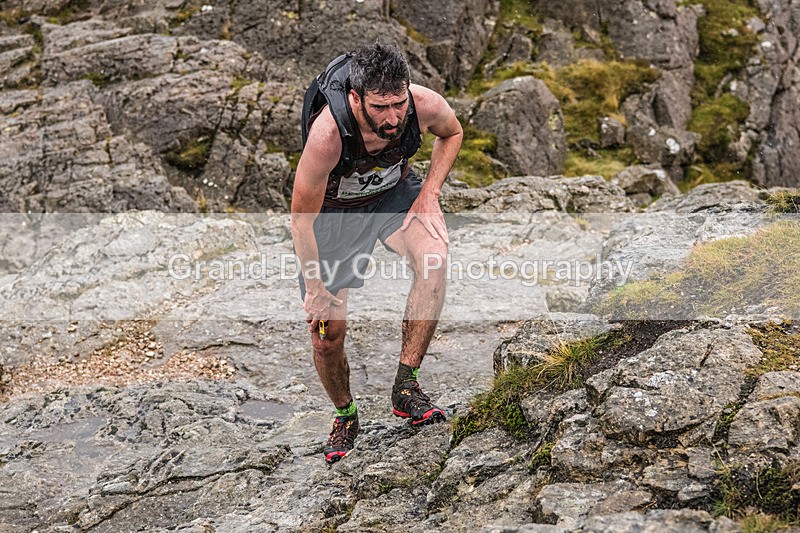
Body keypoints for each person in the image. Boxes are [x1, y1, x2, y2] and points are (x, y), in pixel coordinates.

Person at [291, 42, 463, 464]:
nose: (392, 118)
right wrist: (315, 287)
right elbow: (301, 220)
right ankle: (346, 416)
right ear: (356, 98)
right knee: (327, 335)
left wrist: (429, 193)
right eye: (380, 107)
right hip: (334, 215)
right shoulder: (328, 136)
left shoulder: (421, 104)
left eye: (398, 104)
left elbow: (452, 132)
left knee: (435, 259)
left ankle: (406, 385)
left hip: (392, 196)